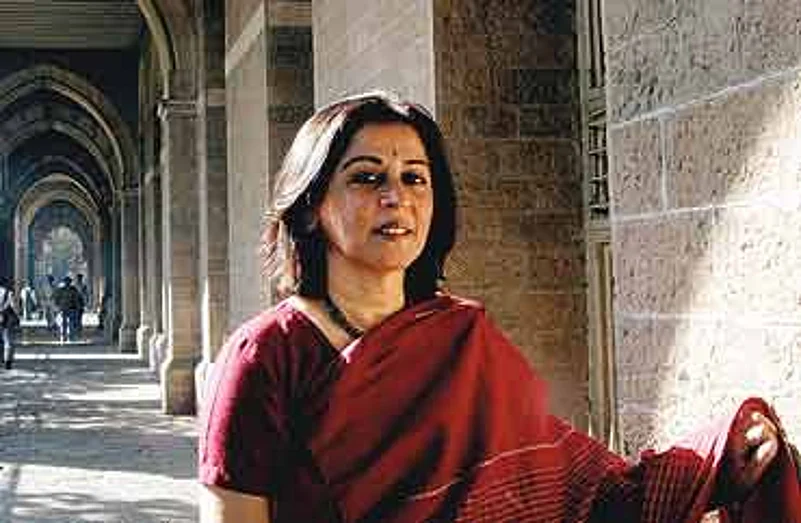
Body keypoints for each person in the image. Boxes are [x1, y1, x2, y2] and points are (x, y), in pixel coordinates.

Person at [198, 92, 801, 522]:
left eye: (415, 178)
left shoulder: (462, 337)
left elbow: (580, 491)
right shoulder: (266, 356)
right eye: (366, 177)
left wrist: (719, 461)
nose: (396, 197)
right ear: (311, 205)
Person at [52, 276, 82, 343]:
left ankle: (69, 336)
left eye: (68, 281)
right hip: (65, 309)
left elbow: (77, 298)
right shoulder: (62, 290)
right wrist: (57, 306)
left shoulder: (72, 290)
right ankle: (65, 336)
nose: (67, 283)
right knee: (65, 323)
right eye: (66, 281)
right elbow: (56, 298)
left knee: (70, 323)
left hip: (70, 308)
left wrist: (78, 307)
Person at [0, 276, 18, 369]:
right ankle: (7, 361)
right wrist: (17, 316)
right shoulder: (9, 293)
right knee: (8, 340)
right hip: (6, 319)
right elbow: (14, 306)